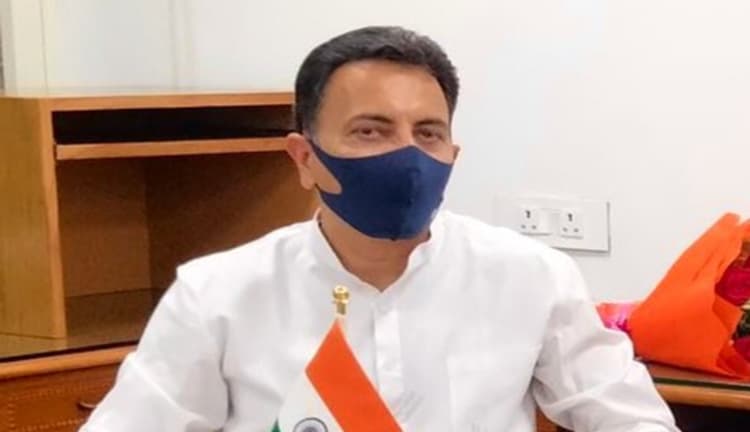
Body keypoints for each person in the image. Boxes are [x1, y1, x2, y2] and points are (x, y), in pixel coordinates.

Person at [81, 26, 678, 431]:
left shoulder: (530, 276)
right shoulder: (218, 295)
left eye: (428, 133)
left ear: (453, 152)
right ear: (304, 158)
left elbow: (629, 418)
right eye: (371, 131)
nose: (407, 156)